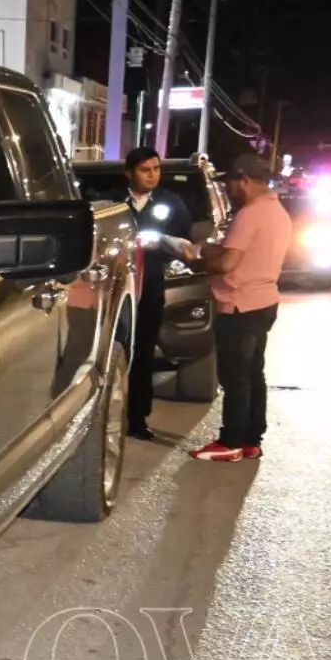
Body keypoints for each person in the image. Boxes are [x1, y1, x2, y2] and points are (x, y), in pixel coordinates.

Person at [190, 152, 291, 462]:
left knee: (234, 377)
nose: (229, 190)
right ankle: (251, 440)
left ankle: (230, 442)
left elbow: (228, 262)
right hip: (264, 302)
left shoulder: (249, 214)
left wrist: (195, 259)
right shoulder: (277, 212)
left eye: (231, 184)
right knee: (253, 374)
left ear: (244, 181)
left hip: (239, 305)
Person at [117, 147, 198, 440]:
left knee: (142, 353)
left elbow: (186, 243)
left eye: (156, 169)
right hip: (114, 289)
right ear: (129, 173)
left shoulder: (170, 203)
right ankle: (106, 415)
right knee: (113, 353)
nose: (152, 175)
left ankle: (137, 419)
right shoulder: (114, 203)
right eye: (145, 170)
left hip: (150, 286)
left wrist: (163, 243)